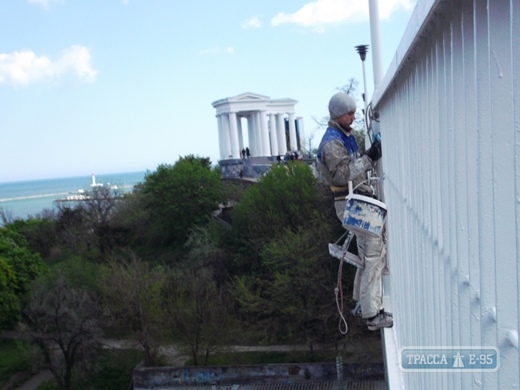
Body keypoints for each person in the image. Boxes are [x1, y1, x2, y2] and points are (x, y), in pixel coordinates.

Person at [316, 92, 392, 331]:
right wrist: (370, 157)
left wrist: (368, 156)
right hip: (351, 205)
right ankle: (372, 314)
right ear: (338, 115)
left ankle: (361, 303)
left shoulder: (342, 136)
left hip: (355, 203)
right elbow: (343, 174)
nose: (353, 116)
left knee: (367, 254)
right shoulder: (332, 143)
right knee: (374, 253)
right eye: (349, 113)